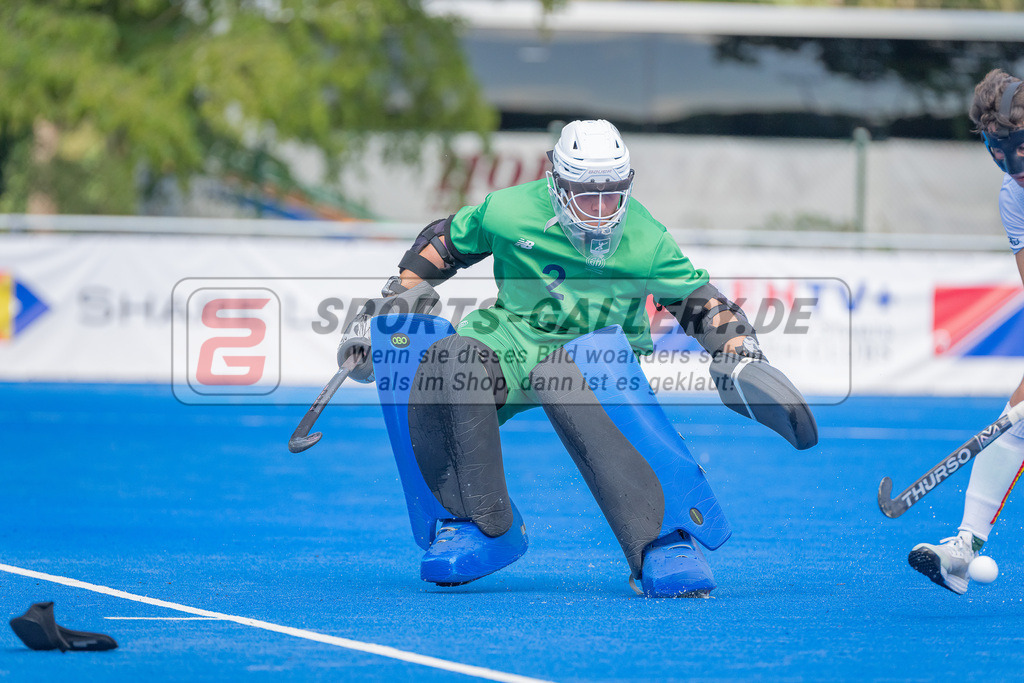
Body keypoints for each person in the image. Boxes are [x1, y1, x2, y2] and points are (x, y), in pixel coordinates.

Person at [338, 119, 817, 597]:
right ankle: (478, 525)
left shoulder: (647, 239)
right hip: (513, 337)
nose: (602, 209)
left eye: (612, 193)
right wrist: (389, 306)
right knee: (446, 360)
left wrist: (739, 352)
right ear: (557, 182)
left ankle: (665, 539)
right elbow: (446, 243)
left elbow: (702, 304)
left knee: (595, 364)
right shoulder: (507, 210)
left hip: (594, 349)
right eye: (587, 194)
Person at [909, 69, 1024, 594]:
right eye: (998, 151)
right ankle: (963, 548)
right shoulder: (1015, 196)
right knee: (1016, 418)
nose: (1012, 166)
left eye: (1017, 149)